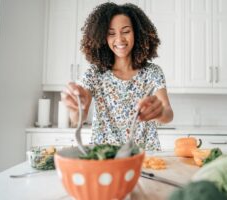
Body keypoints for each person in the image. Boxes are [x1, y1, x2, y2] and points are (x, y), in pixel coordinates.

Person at [61, 2, 173, 151]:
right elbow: (77, 120)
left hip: (145, 157)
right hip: (105, 158)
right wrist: (76, 109)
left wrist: (159, 113)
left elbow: (168, 113)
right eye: (111, 33)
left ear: (137, 33)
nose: (119, 39)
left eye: (126, 31)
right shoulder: (94, 74)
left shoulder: (152, 72)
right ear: (102, 38)